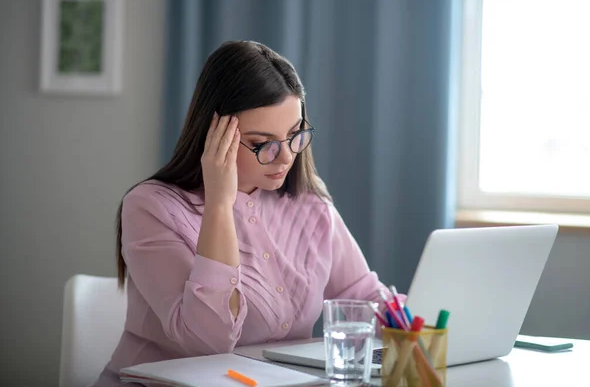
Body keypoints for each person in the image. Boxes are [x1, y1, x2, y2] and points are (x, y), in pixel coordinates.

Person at [92, 40, 394, 386]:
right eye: (263, 143)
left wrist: (417, 328)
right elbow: (206, 341)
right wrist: (220, 204)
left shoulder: (311, 206)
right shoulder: (151, 207)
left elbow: (365, 299)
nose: (285, 157)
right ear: (214, 134)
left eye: (295, 135)